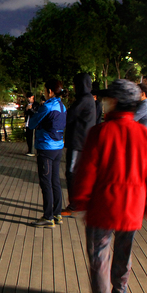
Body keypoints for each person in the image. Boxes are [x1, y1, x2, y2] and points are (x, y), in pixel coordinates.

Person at [73, 79, 147, 293]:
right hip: (133, 206)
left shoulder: (100, 132)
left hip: (104, 206)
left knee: (100, 258)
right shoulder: (143, 134)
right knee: (124, 251)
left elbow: (86, 172)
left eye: (107, 98)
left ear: (115, 102)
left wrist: (80, 201)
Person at [29, 79, 67, 228]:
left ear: (50, 91)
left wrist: (34, 113)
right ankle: (57, 214)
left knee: (46, 182)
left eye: (45, 90)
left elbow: (32, 123)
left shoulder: (48, 106)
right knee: (55, 181)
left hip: (46, 147)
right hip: (58, 147)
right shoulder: (63, 106)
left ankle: (48, 217)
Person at [61, 73, 96, 217]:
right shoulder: (88, 99)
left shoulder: (83, 100)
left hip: (78, 142)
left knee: (71, 173)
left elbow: (69, 116)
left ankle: (74, 205)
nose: (74, 87)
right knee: (78, 174)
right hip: (83, 141)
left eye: (75, 84)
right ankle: (81, 202)